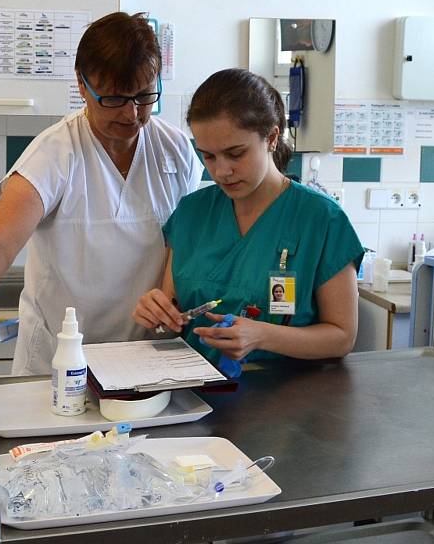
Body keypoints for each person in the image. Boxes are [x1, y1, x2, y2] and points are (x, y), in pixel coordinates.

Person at [0, 12, 204, 375]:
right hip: (60, 366)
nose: (132, 114)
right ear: (83, 85)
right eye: (114, 98)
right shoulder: (54, 154)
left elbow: (189, 241)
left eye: (144, 96)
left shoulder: (174, 150)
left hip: (145, 363)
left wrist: (170, 297)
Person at [133, 68, 364, 364]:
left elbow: (342, 336)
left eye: (236, 153)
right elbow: (171, 319)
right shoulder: (192, 214)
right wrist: (157, 314)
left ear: (271, 138)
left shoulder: (320, 219)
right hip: (195, 393)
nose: (221, 171)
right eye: (209, 156)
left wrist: (263, 336)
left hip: (288, 398)